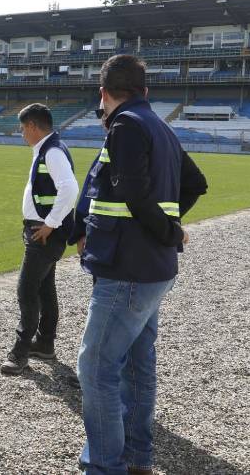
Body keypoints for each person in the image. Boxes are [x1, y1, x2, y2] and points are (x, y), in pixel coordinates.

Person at [71, 55, 208, 475]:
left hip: (127, 269)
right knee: (136, 365)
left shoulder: (126, 125)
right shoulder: (160, 125)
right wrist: (169, 229)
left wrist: (167, 231)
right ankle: (137, 459)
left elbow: (132, 195)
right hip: (152, 269)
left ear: (103, 92)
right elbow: (196, 184)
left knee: (94, 367)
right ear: (145, 90)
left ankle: (105, 465)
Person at [1, 103, 78, 375]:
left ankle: (20, 353)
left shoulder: (53, 152)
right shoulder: (48, 149)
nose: (22, 133)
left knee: (27, 290)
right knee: (45, 289)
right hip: (41, 230)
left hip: (43, 234)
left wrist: (50, 223)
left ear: (33, 126)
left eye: (23, 128)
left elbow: (70, 188)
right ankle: (44, 344)